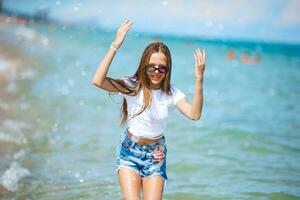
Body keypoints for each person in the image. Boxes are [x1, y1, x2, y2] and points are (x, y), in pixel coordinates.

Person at [92, 20, 206, 200]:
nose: (156, 71)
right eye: (151, 66)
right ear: (144, 65)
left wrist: (199, 79)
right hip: (129, 152)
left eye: (162, 67)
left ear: (168, 70)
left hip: (156, 154)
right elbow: (98, 81)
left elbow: (195, 114)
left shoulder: (171, 93)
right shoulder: (132, 86)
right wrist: (115, 45)